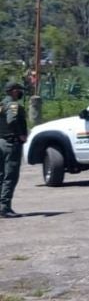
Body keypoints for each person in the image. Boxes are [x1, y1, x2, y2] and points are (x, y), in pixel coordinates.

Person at [0, 82, 28, 218]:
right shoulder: (13, 105)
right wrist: (20, 134)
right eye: (19, 90)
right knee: (10, 176)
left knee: (1, 175)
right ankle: (4, 208)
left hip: (1, 142)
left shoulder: (1, 104)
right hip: (11, 144)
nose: (20, 93)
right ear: (14, 91)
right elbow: (12, 120)